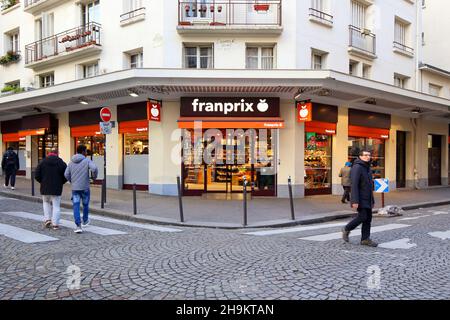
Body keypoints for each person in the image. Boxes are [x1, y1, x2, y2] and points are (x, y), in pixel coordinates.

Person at [342, 149, 378, 247]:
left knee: (368, 218)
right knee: (362, 217)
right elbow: (354, 185)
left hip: (368, 197)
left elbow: (370, 186)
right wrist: (354, 201)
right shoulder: (357, 167)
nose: (367, 157)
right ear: (360, 156)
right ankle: (347, 228)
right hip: (360, 198)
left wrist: (372, 200)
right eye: (365, 155)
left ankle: (365, 239)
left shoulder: (367, 167)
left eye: (369, 155)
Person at [64, 145, 98, 234]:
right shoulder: (87, 160)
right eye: (86, 151)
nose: (86, 153)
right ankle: (85, 220)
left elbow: (66, 174)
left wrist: (72, 181)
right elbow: (94, 168)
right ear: (83, 152)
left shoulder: (71, 162)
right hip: (85, 187)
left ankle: (78, 225)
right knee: (85, 204)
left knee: (76, 205)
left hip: (75, 188)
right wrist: (94, 177)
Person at [34, 149, 67, 230]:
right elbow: (66, 175)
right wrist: (61, 182)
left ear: (48, 153)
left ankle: (47, 219)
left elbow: (36, 175)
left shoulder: (42, 162)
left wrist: (42, 181)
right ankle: (55, 224)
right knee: (56, 206)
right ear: (57, 153)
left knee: (46, 202)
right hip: (57, 187)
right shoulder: (61, 163)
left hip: (45, 186)